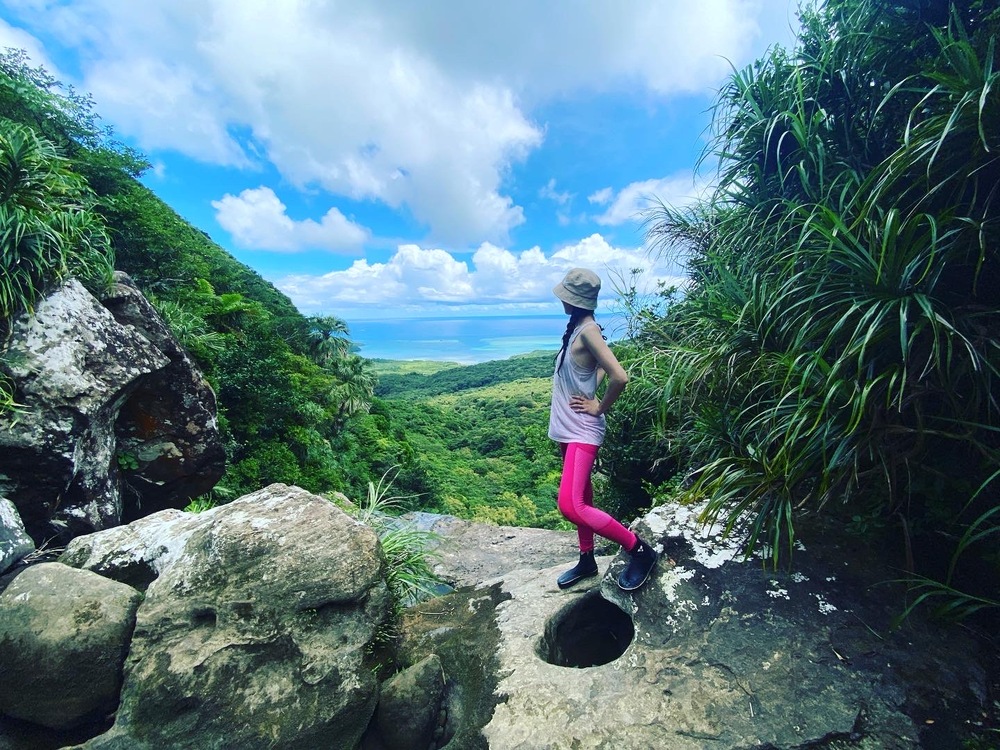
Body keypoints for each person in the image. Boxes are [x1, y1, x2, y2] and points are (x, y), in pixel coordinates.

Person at [548, 268, 657, 591]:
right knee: (582, 495)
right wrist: (589, 391)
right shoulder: (578, 328)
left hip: (582, 430)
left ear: (573, 300)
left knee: (571, 505)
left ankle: (640, 551)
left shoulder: (589, 331)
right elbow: (593, 369)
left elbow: (619, 376)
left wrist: (598, 407)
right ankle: (587, 559)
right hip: (568, 428)